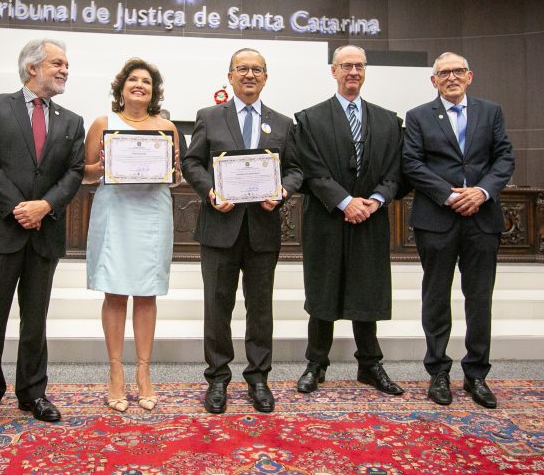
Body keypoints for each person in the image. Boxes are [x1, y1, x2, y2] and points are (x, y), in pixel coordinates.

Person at [0, 38, 85, 433]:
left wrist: (45, 206)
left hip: (44, 234)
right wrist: (20, 207)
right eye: (58, 63)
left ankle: (33, 393)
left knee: (35, 320)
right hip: (0, 230)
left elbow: (73, 172)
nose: (65, 69)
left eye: (66, 64)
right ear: (32, 67)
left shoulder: (71, 121)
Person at [182, 48, 303, 414]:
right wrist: (210, 192)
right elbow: (191, 162)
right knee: (217, 307)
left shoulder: (283, 123)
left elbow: (296, 169)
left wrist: (283, 191)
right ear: (230, 76)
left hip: (263, 230)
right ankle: (217, 378)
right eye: (242, 69)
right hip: (220, 228)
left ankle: (259, 378)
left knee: (260, 308)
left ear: (266, 77)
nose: (249, 75)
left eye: (257, 70)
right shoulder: (209, 116)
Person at [403, 52, 514, 409]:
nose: (451, 77)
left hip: (482, 218)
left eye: (457, 71)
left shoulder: (491, 111)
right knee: (436, 297)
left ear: (470, 76)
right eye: (443, 73)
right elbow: (412, 164)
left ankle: (476, 374)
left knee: (479, 298)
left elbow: (504, 158)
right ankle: (437, 372)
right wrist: (448, 195)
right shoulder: (418, 116)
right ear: (433, 81)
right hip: (437, 218)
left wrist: (481, 192)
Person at [293, 45, 405, 398]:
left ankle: (370, 364)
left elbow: (397, 169)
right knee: (323, 290)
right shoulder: (309, 120)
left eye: (359, 65)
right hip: (327, 218)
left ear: (365, 70)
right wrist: (344, 201)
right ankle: (316, 364)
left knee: (367, 289)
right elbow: (309, 168)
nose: (353, 71)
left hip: (371, 218)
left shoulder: (389, 120)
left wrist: (375, 199)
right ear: (333, 71)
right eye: (346, 66)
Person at [83, 58, 181, 413]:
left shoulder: (167, 126)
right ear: (121, 87)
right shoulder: (102, 123)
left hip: (152, 212)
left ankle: (143, 373)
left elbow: (177, 176)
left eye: (146, 81)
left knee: (146, 292)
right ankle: (115, 373)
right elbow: (85, 173)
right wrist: (107, 164)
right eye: (133, 80)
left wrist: (169, 170)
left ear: (154, 91)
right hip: (115, 211)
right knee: (114, 290)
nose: (140, 85)